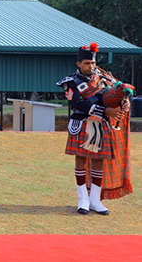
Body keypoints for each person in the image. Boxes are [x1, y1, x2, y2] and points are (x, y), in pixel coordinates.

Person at [57, 43, 133, 215]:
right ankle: (82, 199)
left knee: (99, 161)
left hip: (101, 124)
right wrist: (104, 110)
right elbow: (77, 102)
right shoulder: (71, 82)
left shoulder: (105, 78)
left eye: (92, 63)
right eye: (86, 63)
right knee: (81, 159)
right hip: (82, 123)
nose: (90, 66)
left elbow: (116, 93)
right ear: (79, 64)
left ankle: (95, 200)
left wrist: (124, 101)